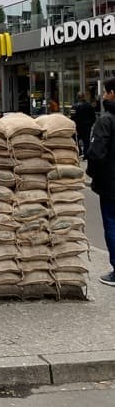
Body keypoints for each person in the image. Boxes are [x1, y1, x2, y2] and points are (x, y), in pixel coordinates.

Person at [86, 78, 115, 286]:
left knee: (112, 224)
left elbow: (96, 154)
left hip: (111, 183)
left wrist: (93, 175)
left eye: (106, 92)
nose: (104, 96)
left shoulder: (106, 121)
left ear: (112, 93)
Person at [72, 92, 96, 159]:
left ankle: (79, 152)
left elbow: (72, 117)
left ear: (77, 97)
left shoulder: (74, 106)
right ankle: (86, 155)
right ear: (84, 97)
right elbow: (93, 117)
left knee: (75, 139)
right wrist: (90, 124)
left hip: (77, 126)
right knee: (86, 141)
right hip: (86, 126)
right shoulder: (89, 106)